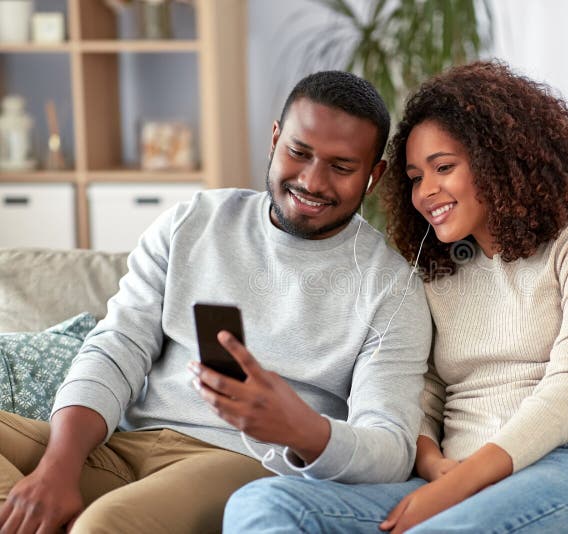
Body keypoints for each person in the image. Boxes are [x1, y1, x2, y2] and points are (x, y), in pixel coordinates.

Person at [0, 71, 431, 534]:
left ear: (374, 175)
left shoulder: (392, 288)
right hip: (124, 446)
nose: (311, 180)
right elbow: (115, 348)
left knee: (103, 525)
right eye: (298, 152)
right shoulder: (193, 222)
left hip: (240, 463)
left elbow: (391, 448)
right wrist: (57, 470)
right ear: (275, 138)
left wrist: (300, 427)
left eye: (341, 167)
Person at [223, 60, 568, 533]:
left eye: (444, 168)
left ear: (499, 160)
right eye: (416, 176)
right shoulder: (438, 270)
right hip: (453, 473)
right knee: (261, 505)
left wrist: (451, 491)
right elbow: (423, 393)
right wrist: (433, 466)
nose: (426, 192)